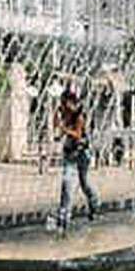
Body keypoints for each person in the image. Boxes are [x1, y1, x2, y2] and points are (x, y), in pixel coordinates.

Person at [55, 88, 99, 233]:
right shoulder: (64, 113)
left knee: (84, 183)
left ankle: (94, 202)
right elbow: (60, 128)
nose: (62, 104)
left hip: (82, 154)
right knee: (67, 184)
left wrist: (64, 130)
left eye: (64, 102)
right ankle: (63, 219)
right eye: (62, 102)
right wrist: (59, 129)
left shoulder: (79, 116)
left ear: (71, 102)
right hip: (69, 154)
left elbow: (78, 135)